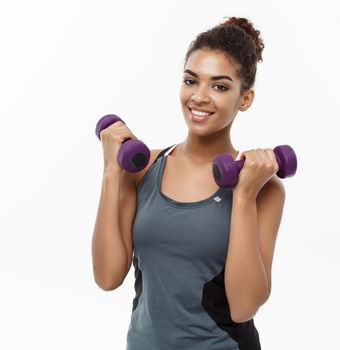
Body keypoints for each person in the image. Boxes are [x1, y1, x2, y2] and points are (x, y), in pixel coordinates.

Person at [92, 16, 286, 350]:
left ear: (245, 99)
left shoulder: (262, 188)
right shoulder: (141, 168)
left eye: (219, 86)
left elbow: (243, 307)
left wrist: (242, 198)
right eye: (190, 80)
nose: (199, 96)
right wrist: (111, 172)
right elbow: (108, 277)